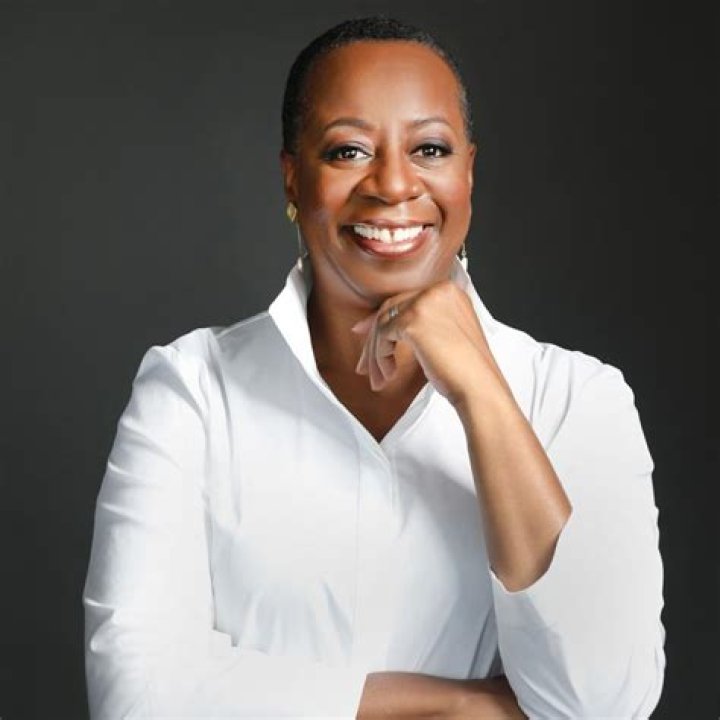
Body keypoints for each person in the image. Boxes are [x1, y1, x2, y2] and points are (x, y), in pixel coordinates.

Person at [83, 16, 666, 719]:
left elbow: (604, 704)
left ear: (468, 172)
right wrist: (464, 708)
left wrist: (482, 393)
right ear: (292, 176)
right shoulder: (192, 391)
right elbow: (136, 698)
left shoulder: (581, 399)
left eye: (429, 148)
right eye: (348, 150)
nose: (393, 184)